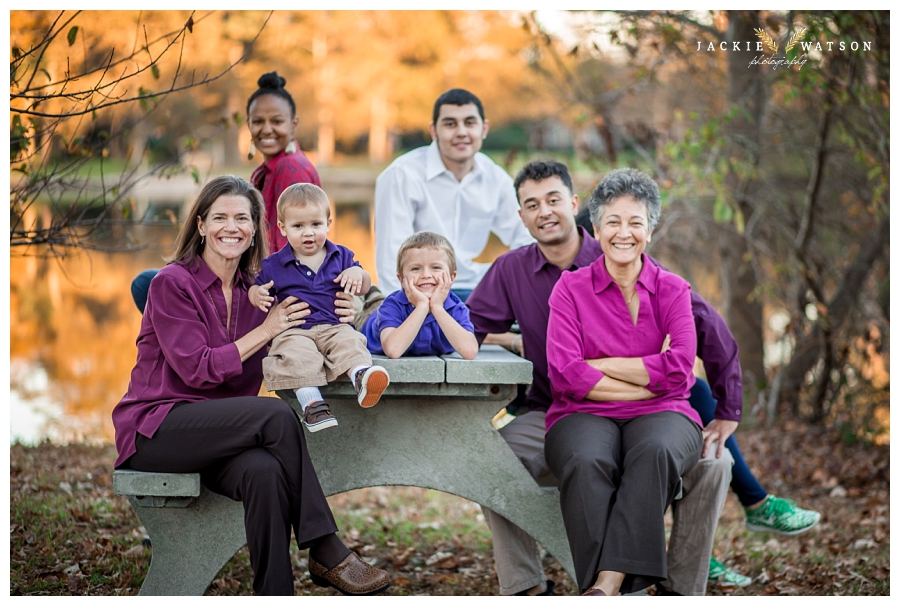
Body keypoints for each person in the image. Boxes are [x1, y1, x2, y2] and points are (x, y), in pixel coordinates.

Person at [111, 175, 391, 596]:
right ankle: (325, 547)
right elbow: (196, 371)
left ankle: (275, 594)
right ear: (201, 224)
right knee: (277, 414)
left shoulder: (258, 291)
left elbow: (321, 317)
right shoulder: (173, 283)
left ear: (256, 228)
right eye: (220, 217)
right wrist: (266, 330)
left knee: (264, 471)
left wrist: (349, 303)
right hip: (158, 429)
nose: (232, 227)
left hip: (224, 437)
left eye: (242, 218)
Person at [466, 161, 731, 596]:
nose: (544, 211)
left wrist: (728, 409)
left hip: (653, 414)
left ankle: (621, 588)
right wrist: (402, 317)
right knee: (505, 457)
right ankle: (527, 586)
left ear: (574, 206)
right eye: (532, 204)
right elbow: (559, 370)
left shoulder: (659, 279)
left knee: (707, 458)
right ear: (521, 216)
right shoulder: (528, 274)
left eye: (553, 200)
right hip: (559, 408)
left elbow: (695, 352)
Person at [572, 205, 821, 587]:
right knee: (674, 413)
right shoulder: (565, 283)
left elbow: (710, 331)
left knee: (693, 403)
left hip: (652, 407)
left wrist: (729, 409)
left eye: (630, 225)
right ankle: (754, 503)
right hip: (578, 410)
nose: (619, 237)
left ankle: (745, 513)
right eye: (610, 227)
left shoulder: (646, 273)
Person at [130, 70, 322, 313]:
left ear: (293, 124)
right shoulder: (267, 170)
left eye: (277, 121)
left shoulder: (290, 169)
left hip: (276, 292)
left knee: (149, 284)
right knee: (160, 281)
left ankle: (202, 338)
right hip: (258, 278)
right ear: (248, 124)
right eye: (258, 121)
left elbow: (294, 250)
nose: (267, 129)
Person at [370, 88, 534, 303]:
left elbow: (525, 238)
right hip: (422, 292)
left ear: (484, 129)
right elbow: (391, 257)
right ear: (433, 131)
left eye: (469, 123)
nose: (461, 132)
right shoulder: (401, 176)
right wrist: (399, 314)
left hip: (477, 288)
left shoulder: (494, 177)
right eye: (450, 124)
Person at [250, 183, 390, 432]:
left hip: (334, 326)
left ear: (328, 223)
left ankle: (361, 376)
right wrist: (256, 294)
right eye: (298, 226)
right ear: (282, 228)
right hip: (296, 330)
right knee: (294, 354)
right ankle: (313, 405)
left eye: (316, 224)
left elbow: (365, 284)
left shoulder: (342, 257)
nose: (308, 233)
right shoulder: (273, 264)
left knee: (350, 341)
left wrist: (358, 273)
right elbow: (256, 287)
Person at [361, 231, 478, 360]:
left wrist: (437, 307)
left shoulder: (456, 307)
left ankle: (373, 293)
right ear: (401, 278)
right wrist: (422, 306)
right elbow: (393, 350)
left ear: (452, 277)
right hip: (367, 317)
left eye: (436, 267)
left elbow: (470, 351)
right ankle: (370, 292)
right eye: (416, 269)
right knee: (369, 305)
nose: (426, 275)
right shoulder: (391, 305)